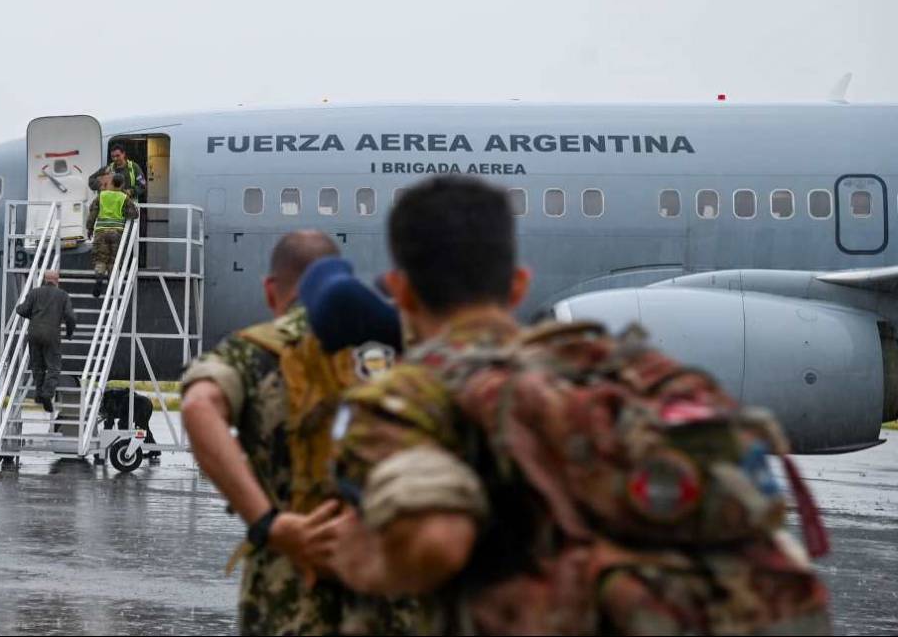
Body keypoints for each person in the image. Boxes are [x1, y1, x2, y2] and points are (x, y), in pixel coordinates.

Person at [326, 176, 831, 635]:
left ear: (401, 291)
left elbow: (436, 544)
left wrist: (349, 557)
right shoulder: (641, 374)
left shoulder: (405, 400)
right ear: (517, 284)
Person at [180, 230, 413, 636]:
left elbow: (199, 406)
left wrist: (267, 523)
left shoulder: (254, 350)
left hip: (289, 596)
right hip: (393, 591)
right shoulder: (398, 345)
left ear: (272, 291)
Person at [15, 269, 76, 412]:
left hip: (34, 333)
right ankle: (47, 394)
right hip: (52, 334)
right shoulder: (63, 295)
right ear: (57, 281)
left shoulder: (35, 293)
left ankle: (38, 393)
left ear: (44, 279)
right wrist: (69, 332)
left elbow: (22, 310)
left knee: (37, 365)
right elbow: (70, 316)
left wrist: (24, 310)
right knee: (53, 366)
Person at [85, 171, 139, 298]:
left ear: (111, 183)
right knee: (113, 259)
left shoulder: (102, 196)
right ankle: (111, 284)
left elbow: (92, 214)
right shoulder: (123, 198)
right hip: (116, 233)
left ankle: (99, 278)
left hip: (101, 232)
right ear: (122, 185)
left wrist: (89, 228)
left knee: (100, 258)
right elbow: (134, 214)